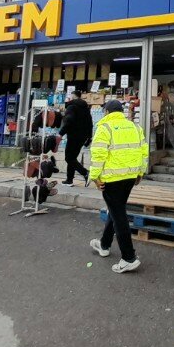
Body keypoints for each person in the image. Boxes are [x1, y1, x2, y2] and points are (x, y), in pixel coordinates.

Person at [89, 100, 148, 273]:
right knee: (115, 210)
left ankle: (129, 257)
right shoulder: (135, 127)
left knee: (118, 214)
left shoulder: (104, 128)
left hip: (111, 179)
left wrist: (94, 177)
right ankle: (104, 244)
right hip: (130, 177)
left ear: (107, 112)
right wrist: (140, 172)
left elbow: (98, 154)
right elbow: (144, 151)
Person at [59, 90, 92, 185]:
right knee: (73, 157)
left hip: (73, 136)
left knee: (69, 158)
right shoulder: (86, 107)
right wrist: (89, 137)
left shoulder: (71, 106)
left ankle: (85, 172)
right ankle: (69, 179)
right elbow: (90, 123)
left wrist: (61, 133)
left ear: (73, 96)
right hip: (82, 137)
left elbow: (68, 121)